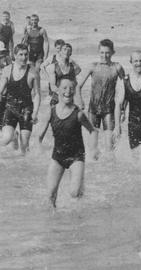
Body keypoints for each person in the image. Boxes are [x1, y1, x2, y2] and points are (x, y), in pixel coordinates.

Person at [39, 77, 98, 208]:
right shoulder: (51, 111)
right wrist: (38, 150)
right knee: (50, 196)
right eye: (64, 88)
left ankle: (78, 216)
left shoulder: (79, 114)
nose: (68, 91)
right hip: (57, 157)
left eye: (71, 88)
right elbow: (39, 136)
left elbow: (93, 131)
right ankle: (54, 224)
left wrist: (94, 149)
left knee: (74, 192)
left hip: (76, 157)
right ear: (57, 90)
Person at [77, 39, 125, 155]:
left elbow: (126, 88)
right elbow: (78, 86)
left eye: (107, 52)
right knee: (92, 146)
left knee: (109, 147)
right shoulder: (92, 66)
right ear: (98, 52)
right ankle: (95, 169)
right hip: (93, 109)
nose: (105, 55)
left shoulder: (117, 67)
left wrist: (123, 108)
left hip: (109, 110)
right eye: (102, 52)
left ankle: (110, 168)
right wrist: (80, 101)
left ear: (113, 52)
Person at [0, 44, 41, 154]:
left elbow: (37, 94)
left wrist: (35, 112)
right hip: (10, 108)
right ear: (14, 56)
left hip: (26, 110)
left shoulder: (33, 72)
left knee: (24, 147)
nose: (24, 57)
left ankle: (24, 169)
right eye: (20, 55)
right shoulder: (8, 70)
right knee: (6, 139)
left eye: (26, 54)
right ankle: (14, 136)